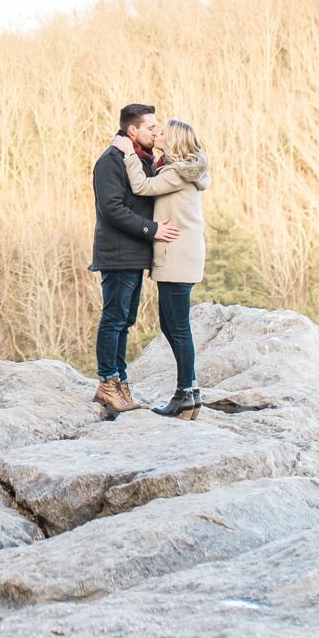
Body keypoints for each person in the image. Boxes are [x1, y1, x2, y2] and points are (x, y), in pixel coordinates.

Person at [87, 104, 183, 415]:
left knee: (125, 320)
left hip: (134, 253)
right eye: (151, 128)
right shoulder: (111, 161)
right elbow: (112, 209)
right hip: (117, 253)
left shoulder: (141, 160)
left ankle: (121, 383)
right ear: (132, 131)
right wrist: (152, 230)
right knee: (114, 319)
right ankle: (106, 384)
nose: (156, 132)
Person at [114, 118, 210, 418]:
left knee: (177, 327)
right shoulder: (183, 170)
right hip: (184, 256)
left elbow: (142, 187)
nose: (157, 134)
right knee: (172, 325)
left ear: (175, 141)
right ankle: (189, 393)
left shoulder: (175, 174)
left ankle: (186, 392)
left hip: (176, 258)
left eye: (163, 132)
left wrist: (129, 154)